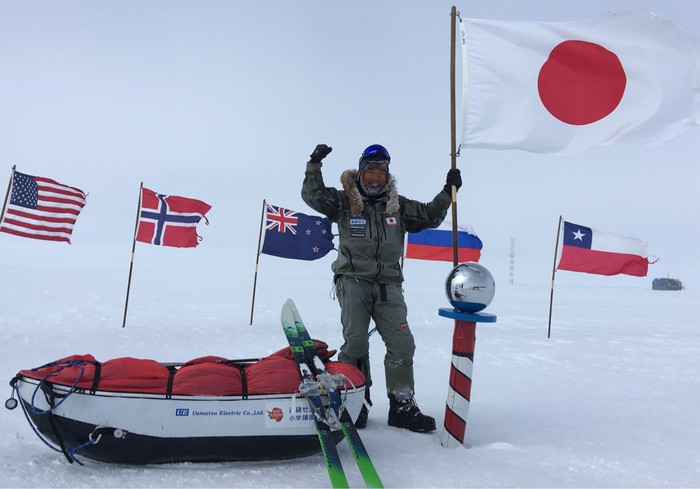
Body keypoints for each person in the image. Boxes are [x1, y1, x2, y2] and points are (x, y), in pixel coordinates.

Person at [301, 143, 462, 433]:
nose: (376, 176)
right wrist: (315, 165)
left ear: (387, 177)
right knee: (356, 344)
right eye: (371, 170)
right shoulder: (344, 202)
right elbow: (312, 196)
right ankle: (356, 402)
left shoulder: (397, 206)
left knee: (402, 343)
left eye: (382, 171)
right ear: (361, 172)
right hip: (353, 281)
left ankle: (402, 405)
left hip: (389, 284)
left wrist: (448, 191)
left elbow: (429, 215)